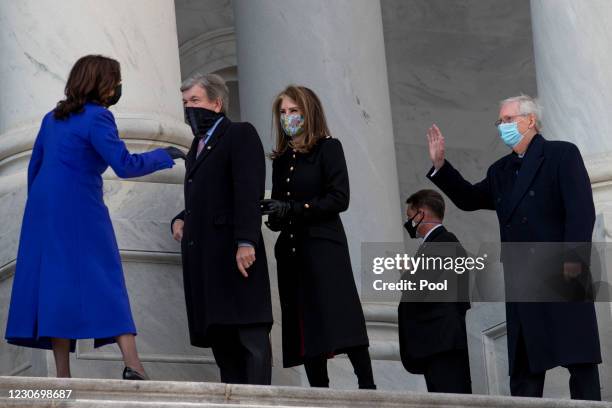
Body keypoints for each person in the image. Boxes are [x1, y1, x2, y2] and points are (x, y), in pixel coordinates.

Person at [5, 55, 185, 380]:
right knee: (106, 278)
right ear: (103, 83)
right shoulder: (98, 117)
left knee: (55, 286)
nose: (118, 87)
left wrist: (45, 213)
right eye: (115, 80)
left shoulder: (51, 118)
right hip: (80, 206)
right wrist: (162, 156)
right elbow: (124, 165)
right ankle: (133, 364)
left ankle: (62, 375)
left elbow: (35, 169)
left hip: (43, 213)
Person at [426, 94, 601, 400]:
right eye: (500, 121)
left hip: (561, 272)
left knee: (579, 361)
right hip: (522, 279)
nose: (502, 126)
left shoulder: (561, 155)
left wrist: (573, 262)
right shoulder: (500, 171)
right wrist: (441, 166)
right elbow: (468, 199)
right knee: (524, 370)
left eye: (508, 120)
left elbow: (580, 212)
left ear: (530, 120)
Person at [261, 85, 376, 389]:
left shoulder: (329, 148)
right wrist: (277, 216)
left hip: (324, 246)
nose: (288, 117)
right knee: (304, 321)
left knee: (340, 313)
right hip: (293, 249)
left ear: (308, 112)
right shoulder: (282, 159)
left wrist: (294, 208)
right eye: (283, 112)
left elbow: (340, 198)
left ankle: (367, 385)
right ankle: (319, 393)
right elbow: (286, 206)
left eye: (294, 111)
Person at [170, 73, 272, 385]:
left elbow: (247, 190)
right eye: (185, 103)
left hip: (234, 253)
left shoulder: (239, 134)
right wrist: (181, 217)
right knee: (223, 341)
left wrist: (245, 242)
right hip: (207, 261)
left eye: (195, 101)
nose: (189, 108)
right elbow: (208, 194)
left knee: (248, 335)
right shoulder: (197, 146)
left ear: (217, 102)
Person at [398, 189, 472, 393]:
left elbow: (422, 288)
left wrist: (407, 272)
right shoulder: (435, 244)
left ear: (421, 214)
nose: (409, 222)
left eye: (410, 216)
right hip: (436, 344)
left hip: (444, 344)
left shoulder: (444, 241)